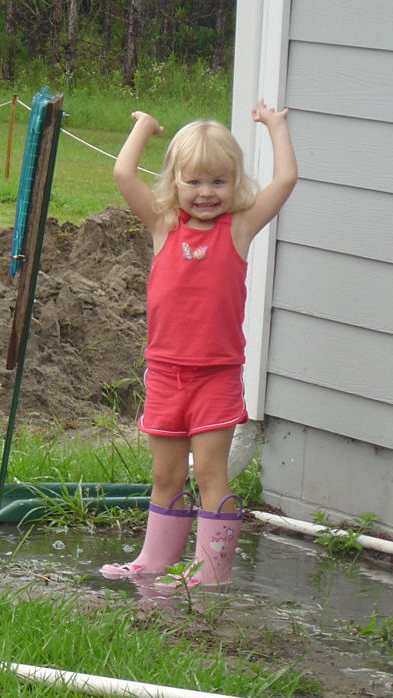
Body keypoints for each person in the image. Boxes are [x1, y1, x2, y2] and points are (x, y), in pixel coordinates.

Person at [100, 98, 297, 588]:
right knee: (165, 476)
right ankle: (153, 561)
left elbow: (285, 181)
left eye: (218, 182)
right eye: (193, 181)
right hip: (166, 374)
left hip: (215, 377)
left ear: (235, 183)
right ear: (174, 183)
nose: (206, 193)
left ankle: (210, 574)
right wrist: (145, 126)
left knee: (210, 474)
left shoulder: (240, 228)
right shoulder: (163, 225)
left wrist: (275, 126)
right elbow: (124, 174)